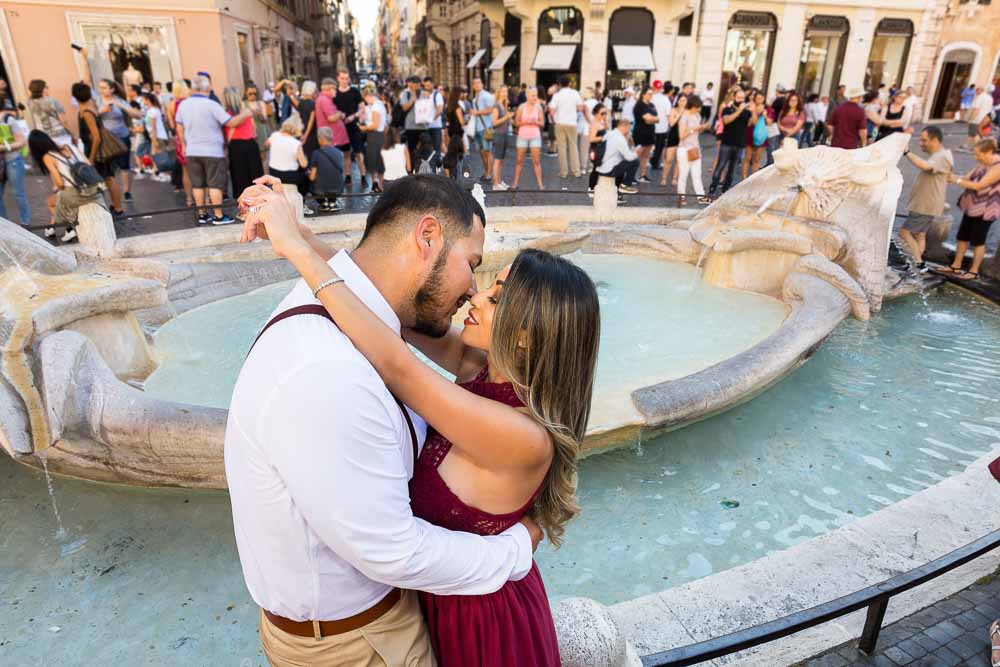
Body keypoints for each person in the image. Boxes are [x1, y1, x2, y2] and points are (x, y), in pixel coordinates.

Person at [234, 171, 600, 667]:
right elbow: (380, 305)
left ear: (526, 337)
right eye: (482, 279)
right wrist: (302, 236)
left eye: (494, 298)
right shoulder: (479, 365)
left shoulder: (521, 435)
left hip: (481, 617)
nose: (474, 295)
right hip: (437, 597)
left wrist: (295, 253)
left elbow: (397, 362)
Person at [174, 74, 250, 224]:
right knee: (215, 184)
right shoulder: (212, 105)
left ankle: (202, 215)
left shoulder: (184, 105)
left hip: (192, 151)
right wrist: (245, 114)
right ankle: (218, 216)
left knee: (198, 184)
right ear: (206, 88)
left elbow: (179, 126)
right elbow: (231, 123)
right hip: (212, 151)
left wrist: (183, 145)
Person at [941, 139, 1000, 280]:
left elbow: (980, 185)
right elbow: (966, 178)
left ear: (989, 152)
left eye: (978, 154)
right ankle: (956, 265)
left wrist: (957, 181)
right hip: (972, 207)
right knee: (962, 237)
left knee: (978, 241)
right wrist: (952, 177)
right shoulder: (983, 163)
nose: (975, 157)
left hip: (986, 210)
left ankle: (973, 272)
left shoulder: (997, 167)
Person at [29, 129, 102, 242]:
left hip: (76, 192)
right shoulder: (70, 146)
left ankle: (69, 229)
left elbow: (60, 184)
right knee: (58, 199)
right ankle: (53, 228)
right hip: (94, 187)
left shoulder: (48, 157)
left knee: (51, 203)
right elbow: (88, 164)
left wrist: (58, 190)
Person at [898, 126, 953, 271]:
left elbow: (926, 166)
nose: (920, 143)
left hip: (924, 205)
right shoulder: (942, 155)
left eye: (924, 140)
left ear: (935, 140)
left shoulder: (942, 157)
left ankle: (918, 263)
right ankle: (915, 263)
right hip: (928, 204)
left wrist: (907, 152)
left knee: (904, 232)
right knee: (919, 235)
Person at [70, 82, 125, 218]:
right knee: (109, 178)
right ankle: (116, 206)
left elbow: (96, 137)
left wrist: (91, 159)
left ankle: (117, 208)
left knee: (108, 179)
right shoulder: (91, 106)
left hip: (98, 151)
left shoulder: (86, 113)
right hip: (98, 150)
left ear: (75, 97)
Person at [709, 88, 757, 196]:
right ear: (734, 97)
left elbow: (752, 123)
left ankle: (725, 190)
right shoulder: (727, 109)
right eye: (738, 97)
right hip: (727, 143)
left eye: (742, 98)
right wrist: (739, 110)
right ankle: (712, 188)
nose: (740, 100)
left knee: (732, 169)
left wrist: (753, 111)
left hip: (740, 144)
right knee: (720, 166)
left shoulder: (746, 111)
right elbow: (726, 120)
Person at [222, 87, 263, 200]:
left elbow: (228, 128)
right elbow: (254, 131)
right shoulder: (246, 110)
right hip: (251, 144)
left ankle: (243, 206)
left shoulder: (226, 113)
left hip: (236, 146)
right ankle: (258, 204)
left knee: (239, 178)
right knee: (255, 176)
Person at [549, 76, 584, 179]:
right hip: (572, 123)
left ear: (560, 84)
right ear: (569, 83)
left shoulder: (557, 95)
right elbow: (580, 108)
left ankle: (563, 172)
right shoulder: (575, 93)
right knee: (573, 147)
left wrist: (555, 119)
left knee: (561, 148)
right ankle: (576, 172)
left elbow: (551, 111)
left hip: (560, 123)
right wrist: (574, 111)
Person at [336, 69, 366, 188]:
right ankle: (348, 177)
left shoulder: (354, 91)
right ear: (338, 78)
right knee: (346, 154)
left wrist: (354, 116)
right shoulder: (335, 93)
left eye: (346, 78)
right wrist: (339, 115)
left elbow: (362, 108)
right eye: (342, 78)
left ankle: (363, 176)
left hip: (354, 126)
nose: (344, 81)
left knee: (359, 153)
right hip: (342, 128)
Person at [676, 95, 709, 204]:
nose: (699, 109)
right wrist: (694, 129)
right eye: (697, 107)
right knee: (683, 174)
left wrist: (702, 128)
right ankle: (681, 196)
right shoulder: (684, 116)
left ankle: (701, 196)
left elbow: (697, 133)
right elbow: (681, 135)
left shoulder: (697, 116)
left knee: (697, 174)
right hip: (685, 149)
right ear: (693, 106)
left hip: (695, 148)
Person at [167, 79, 194, 205]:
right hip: (194, 138)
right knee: (200, 169)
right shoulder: (191, 102)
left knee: (185, 171)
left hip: (181, 139)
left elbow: (172, 125)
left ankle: (189, 198)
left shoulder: (171, 105)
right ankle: (205, 198)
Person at [0, 108, 29, 225]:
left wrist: (4, 147)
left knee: (18, 193)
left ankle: (25, 222)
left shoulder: (8, 119)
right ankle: (5, 225)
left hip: (13, 160)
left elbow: (22, 141)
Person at [316, 78, 351, 173]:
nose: (336, 91)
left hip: (336, 137)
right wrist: (339, 114)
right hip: (333, 138)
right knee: (334, 163)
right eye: (334, 89)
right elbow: (331, 118)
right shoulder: (324, 100)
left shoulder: (326, 99)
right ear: (329, 89)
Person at [267, 114, 308, 194]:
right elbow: (304, 164)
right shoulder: (296, 143)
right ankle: (303, 200)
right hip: (288, 176)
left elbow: (266, 144)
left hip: (273, 172)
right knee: (306, 176)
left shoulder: (275, 135)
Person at [597, 117, 640, 194]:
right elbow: (629, 157)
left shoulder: (610, 133)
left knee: (621, 164)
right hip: (608, 170)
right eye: (629, 128)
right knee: (635, 161)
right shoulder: (620, 138)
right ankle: (625, 186)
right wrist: (637, 153)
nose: (629, 131)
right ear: (624, 126)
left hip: (600, 166)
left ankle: (618, 195)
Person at [513, 86, 545, 190]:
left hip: (535, 136)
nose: (535, 97)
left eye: (536, 95)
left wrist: (536, 122)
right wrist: (525, 122)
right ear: (527, 95)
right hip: (522, 136)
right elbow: (516, 123)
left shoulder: (538, 107)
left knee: (536, 161)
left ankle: (540, 185)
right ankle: (515, 183)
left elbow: (542, 123)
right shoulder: (521, 107)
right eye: (533, 95)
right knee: (519, 160)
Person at [26, 79, 74, 148]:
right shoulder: (53, 101)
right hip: (60, 136)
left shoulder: (30, 103)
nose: (48, 89)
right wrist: (73, 135)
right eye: (46, 87)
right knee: (69, 156)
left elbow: (30, 97)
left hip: (44, 138)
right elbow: (64, 121)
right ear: (42, 89)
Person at [307, 126, 344, 213]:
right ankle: (332, 203)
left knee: (308, 179)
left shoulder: (316, 153)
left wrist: (307, 173)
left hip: (320, 190)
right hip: (338, 189)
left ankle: (323, 203)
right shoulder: (339, 153)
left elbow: (312, 177)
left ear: (321, 138)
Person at [361, 85, 387, 193]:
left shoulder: (376, 107)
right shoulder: (379, 104)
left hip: (375, 135)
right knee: (377, 160)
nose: (365, 100)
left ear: (368, 96)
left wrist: (362, 127)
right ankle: (377, 184)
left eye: (365, 98)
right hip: (379, 135)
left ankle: (378, 185)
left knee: (375, 160)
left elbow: (375, 125)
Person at [468, 78, 495, 183]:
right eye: (475, 83)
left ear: (482, 84)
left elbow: (490, 110)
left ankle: (489, 174)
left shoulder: (487, 96)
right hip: (477, 128)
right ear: (473, 86)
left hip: (487, 128)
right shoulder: (475, 99)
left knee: (488, 151)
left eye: (479, 82)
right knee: (482, 152)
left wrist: (477, 112)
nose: (477, 85)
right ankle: (486, 172)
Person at [141, 92, 171, 181]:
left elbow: (153, 127)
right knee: (156, 155)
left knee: (159, 155)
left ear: (148, 100)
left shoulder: (152, 111)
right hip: (158, 135)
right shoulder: (154, 110)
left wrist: (154, 140)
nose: (143, 101)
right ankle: (157, 172)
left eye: (144, 100)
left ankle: (162, 173)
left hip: (157, 136)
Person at [398, 76, 427, 168]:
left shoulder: (425, 94)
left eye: (418, 84)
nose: (416, 86)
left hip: (423, 125)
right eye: (414, 84)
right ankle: (412, 168)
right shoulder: (405, 94)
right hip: (411, 126)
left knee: (423, 149)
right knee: (411, 148)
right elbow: (404, 108)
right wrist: (413, 99)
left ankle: (423, 167)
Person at [632, 87, 658, 183]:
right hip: (640, 134)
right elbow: (647, 118)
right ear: (643, 94)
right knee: (636, 156)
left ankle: (643, 175)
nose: (651, 96)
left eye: (652, 94)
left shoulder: (651, 105)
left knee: (646, 156)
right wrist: (652, 119)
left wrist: (652, 119)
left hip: (650, 133)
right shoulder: (639, 105)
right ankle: (631, 177)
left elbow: (657, 118)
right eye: (649, 94)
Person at [245, 83, 272, 173]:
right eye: (250, 93)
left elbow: (265, 120)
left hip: (260, 133)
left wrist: (259, 113)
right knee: (251, 158)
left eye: (255, 93)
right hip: (248, 134)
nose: (253, 96)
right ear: (246, 94)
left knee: (263, 157)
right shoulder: (243, 104)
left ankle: (266, 178)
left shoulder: (260, 103)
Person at [742, 91, 769, 179]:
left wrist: (765, 116)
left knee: (757, 159)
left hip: (761, 136)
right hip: (750, 135)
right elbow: (752, 122)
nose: (760, 100)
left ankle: (753, 179)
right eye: (758, 98)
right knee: (747, 158)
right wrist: (754, 111)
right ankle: (744, 179)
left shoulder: (767, 109)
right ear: (754, 99)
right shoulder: (749, 108)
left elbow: (770, 123)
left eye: (761, 98)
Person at [660, 93, 685, 187]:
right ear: (677, 101)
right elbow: (671, 123)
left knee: (679, 160)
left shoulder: (688, 111)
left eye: (685, 100)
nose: (683, 102)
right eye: (681, 100)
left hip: (683, 138)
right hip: (673, 137)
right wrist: (679, 114)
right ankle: (664, 178)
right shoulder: (674, 110)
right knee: (669, 159)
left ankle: (675, 178)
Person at [491, 85, 513, 190]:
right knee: (497, 160)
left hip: (504, 134)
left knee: (501, 160)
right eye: (503, 91)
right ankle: (495, 184)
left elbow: (505, 121)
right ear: (499, 93)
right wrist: (506, 117)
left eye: (506, 91)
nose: (505, 93)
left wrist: (509, 119)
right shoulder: (496, 106)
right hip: (498, 135)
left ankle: (499, 182)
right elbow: (494, 123)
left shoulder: (503, 105)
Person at [587, 103, 609, 192]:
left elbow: (607, 129)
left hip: (600, 149)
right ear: (596, 113)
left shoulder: (600, 122)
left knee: (598, 169)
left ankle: (595, 187)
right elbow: (591, 139)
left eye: (605, 113)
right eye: (602, 113)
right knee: (596, 169)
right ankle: (592, 188)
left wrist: (606, 120)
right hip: (595, 149)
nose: (604, 115)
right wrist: (603, 138)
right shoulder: (594, 124)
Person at [650, 82, 672, 171]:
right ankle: (654, 162)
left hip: (651, 125)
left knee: (651, 145)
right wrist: (670, 124)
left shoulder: (650, 97)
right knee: (659, 146)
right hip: (662, 126)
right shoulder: (665, 99)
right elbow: (668, 113)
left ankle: (652, 160)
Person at [297, 80, 319, 161]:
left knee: (305, 154)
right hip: (311, 133)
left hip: (302, 131)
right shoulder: (312, 103)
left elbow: (298, 118)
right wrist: (306, 135)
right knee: (313, 156)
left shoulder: (300, 103)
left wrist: (301, 133)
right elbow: (311, 121)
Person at [967, 87, 995, 151]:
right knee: (977, 134)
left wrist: (970, 119)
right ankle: (968, 146)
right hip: (985, 118)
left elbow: (976, 110)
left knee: (974, 134)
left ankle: (977, 149)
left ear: (980, 91)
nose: (976, 93)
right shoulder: (990, 98)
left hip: (977, 119)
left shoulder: (979, 97)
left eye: (976, 91)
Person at [422, 77, 445, 152]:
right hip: (425, 127)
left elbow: (439, 110)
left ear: (432, 84)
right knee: (426, 150)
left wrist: (431, 119)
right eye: (425, 86)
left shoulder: (437, 95)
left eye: (428, 85)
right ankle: (429, 163)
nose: (426, 87)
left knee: (436, 149)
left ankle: (436, 163)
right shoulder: (423, 95)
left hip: (435, 127)